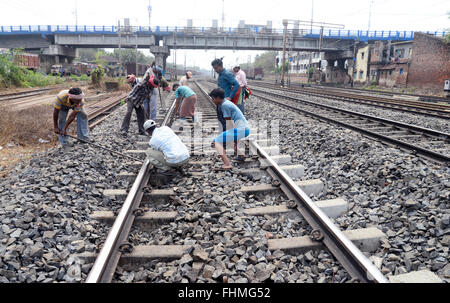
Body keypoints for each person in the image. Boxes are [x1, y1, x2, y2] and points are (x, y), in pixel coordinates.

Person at [209, 88, 250, 170]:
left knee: (217, 141)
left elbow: (229, 124)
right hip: (245, 129)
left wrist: (220, 139)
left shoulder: (224, 105)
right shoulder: (226, 103)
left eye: (213, 98)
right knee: (229, 140)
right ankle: (241, 155)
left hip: (241, 130)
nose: (212, 100)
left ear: (217, 98)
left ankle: (227, 164)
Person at [211, 58, 240, 132]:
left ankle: (226, 140)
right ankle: (223, 137)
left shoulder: (227, 74)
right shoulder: (221, 74)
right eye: (214, 68)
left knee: (225, 122)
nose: (215, 70)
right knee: (221, 121)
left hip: (224, 101)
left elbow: (236, 85)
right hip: (220, 101)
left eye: (216, 68)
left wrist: (230, 97)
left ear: (221, 66)